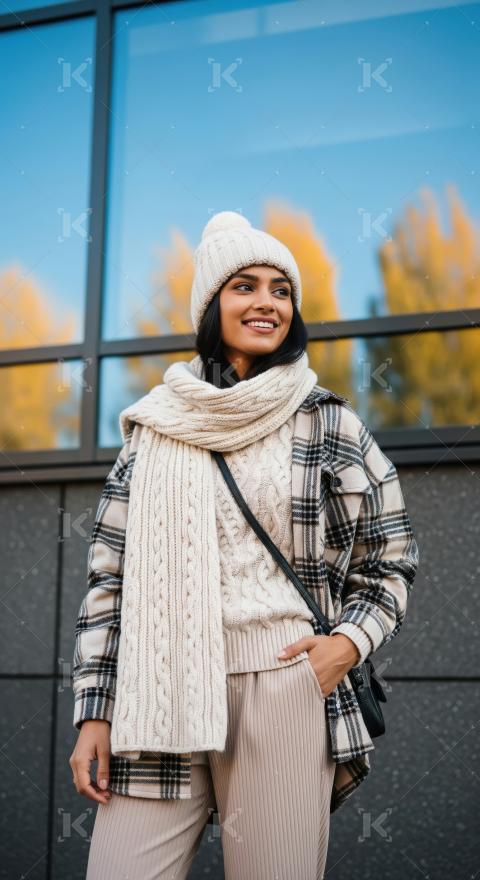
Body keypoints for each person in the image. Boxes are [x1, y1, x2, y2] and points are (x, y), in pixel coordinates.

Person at [69, 211, 419, 880]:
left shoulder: (327, 420)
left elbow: (391, 558)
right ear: (211, 304)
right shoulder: (155, 427)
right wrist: (94, 713)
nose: (267, 303)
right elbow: (110, 582)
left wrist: (346, 645)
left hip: (284, 682)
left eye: (281, 290)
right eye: (245, 286)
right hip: (159, 684)